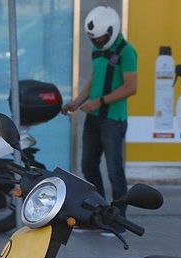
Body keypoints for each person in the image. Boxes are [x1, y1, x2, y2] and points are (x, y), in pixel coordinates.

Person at [62, 5, 137, 225]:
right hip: (93, 118)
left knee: (114, 171)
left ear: (112, 31)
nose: (96, 42)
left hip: (113, 120)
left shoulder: (126, 51)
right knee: (88, 166)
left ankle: (119, 218)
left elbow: (131, 87)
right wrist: (77, 102)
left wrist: (99, 102)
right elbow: (95, 79)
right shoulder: (99, 49)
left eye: (100, 38)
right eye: (93, 39)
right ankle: (100, 213)